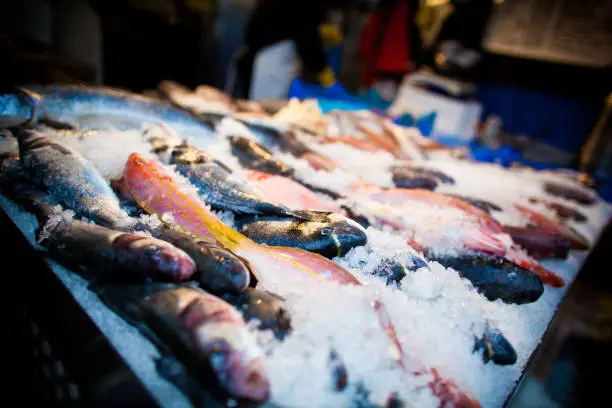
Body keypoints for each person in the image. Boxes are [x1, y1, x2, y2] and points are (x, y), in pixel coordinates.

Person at [235, 0, 348, 99]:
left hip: (262, 53)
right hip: (271, 61)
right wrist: (321, 68)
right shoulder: (305, 4)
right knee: (263, 112)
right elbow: (305, 33)